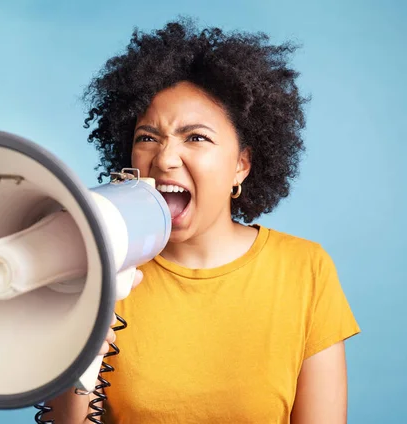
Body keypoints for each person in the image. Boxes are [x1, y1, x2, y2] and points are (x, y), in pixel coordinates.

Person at [42, 17, 360, 423]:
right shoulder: (96, 269)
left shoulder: (305, 270)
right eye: (146, 137)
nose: (164, 158)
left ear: (241, 166)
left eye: (196, 137)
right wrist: (78, 360)